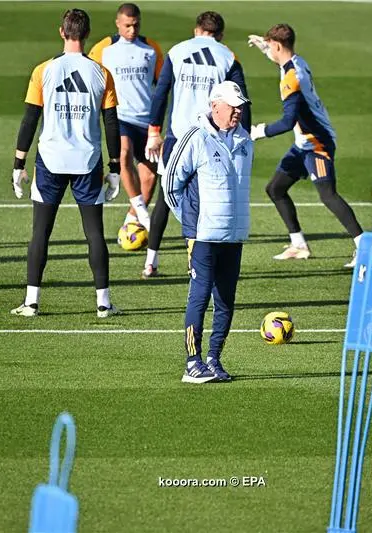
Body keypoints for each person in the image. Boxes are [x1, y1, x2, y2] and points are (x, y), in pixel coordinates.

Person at [10, 8, 123, 318]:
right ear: (86, 35)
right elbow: (111, 123)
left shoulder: (43, 70)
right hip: (88, 161)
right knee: (95, 234)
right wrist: (115, 168)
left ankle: (31, 302)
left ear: (62, 32)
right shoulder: (101, 73)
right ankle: (103, 303)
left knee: (40, 233)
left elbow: (30, 119)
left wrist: (18, 163)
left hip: (50, 160)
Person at [141, 11, 250, 279]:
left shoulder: (178, 51)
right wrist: (243, 138)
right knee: (209, 200)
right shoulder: (227, 56)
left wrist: (154, 132)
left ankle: (151, 261)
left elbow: (161, 93)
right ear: (220, 34)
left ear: (196, 30)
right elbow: (242, 103)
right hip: (212, 137)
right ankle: (197, 262)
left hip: (178, 136)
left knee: (165, 198)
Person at [248, 24, 363, 266]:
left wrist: (259, 132)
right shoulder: (297, 62)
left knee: (328, 195)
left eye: (270, 46)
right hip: (304, 143)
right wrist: (263, 47)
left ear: (278, 46)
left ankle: (364, 248)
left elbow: (288, 121)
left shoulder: (292, 78)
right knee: (275, 189)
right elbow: (282, 59)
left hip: (317, 142)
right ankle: (299, 244)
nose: (268, 50)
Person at [162, 81, 253, 383]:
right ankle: (192, 362)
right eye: (232, 105)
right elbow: (170, 184)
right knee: (199, 297)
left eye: (240, 105)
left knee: (226, 300)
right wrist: (190, 221)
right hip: (202, 236)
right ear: (215, 106)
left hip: (233, 235)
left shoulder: (245, 141)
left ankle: (214, 359)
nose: (238, 110)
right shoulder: (196, 137)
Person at [88, 3, 163, 232]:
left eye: (136, 25)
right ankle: (141, 209)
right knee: (123, 153)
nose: (132, 30)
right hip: (120, 117)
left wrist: (158, 125)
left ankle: (132, 218)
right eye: (128, 25)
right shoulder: (104, 49)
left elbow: (162, 86)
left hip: (147, 121)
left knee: (150, 175)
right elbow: (89, 78)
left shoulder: (151, 49)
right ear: (118, 23)